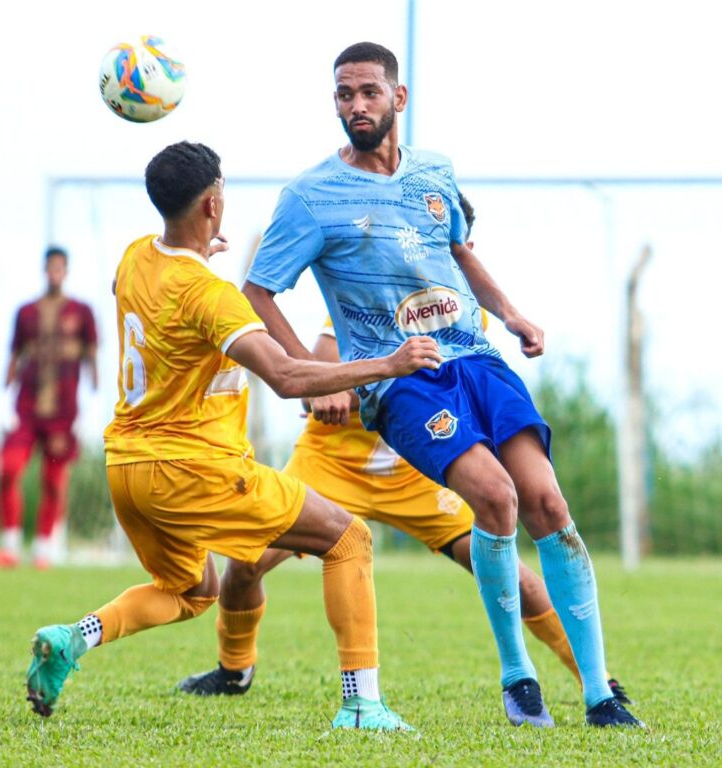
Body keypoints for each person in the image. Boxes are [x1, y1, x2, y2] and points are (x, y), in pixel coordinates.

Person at [240, 43, 643, 728]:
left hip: (477, 358)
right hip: (404, 379)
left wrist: (511, 314)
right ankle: (518, 677)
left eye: (369, 91)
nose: (356, 105)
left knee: (547, 501)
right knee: (495, 496)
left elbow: (459, 251)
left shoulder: (435, 171)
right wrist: (315, 375)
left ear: (398, 98)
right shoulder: (309, 197)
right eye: (344, 94)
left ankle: (600, 697)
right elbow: (257, 290)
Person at [24, 140, 443, 731]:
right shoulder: (212, 297)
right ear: (212, 205)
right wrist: (389, 364)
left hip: (127, 469)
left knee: (192, 591)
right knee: (348, 538)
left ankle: (73, 638)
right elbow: (287, 377)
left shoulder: (136, 257)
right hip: (192, 468)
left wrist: (194, 253)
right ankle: (361, 705)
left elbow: (145, 293)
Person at [181, 196, 629, 707]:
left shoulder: (467, 323)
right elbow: (324, 369)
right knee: (246, 562)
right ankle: (234, 669)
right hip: (333, 460)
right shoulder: (366, 297)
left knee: (512, 569)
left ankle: (597, 680)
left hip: (416, 470)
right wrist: (334, 390)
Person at [0, 246, 98, 569]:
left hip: (64, 413)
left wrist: (89, 410)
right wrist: (2, 403)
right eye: (50, 267)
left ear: (66, 271)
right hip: (26, 408)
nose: (55, 273)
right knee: (8, 470)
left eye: (60, 267)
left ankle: (43, 550)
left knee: (54, 481)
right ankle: (9, 547)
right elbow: (14, 356)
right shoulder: (26, 313)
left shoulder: (82, 312)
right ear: (44, 270)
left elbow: (92, 361)